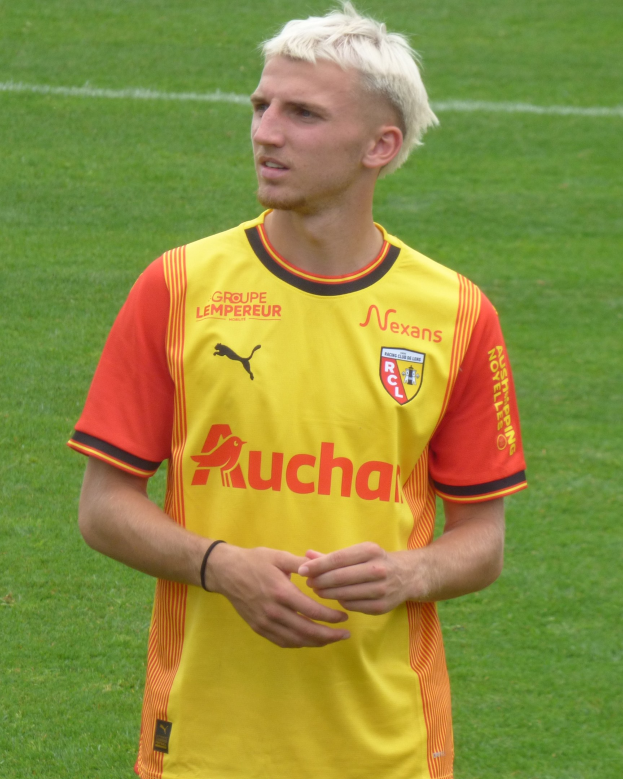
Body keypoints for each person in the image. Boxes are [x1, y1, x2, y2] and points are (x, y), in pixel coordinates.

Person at [68, 4, 527, 778]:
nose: (266, 131)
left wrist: (409, 572)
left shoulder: (456, 313)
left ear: (379, 145)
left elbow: (481, 539)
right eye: (261, 106)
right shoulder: (177, 287)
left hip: (388, 747)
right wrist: (218, 564)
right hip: (204, 744)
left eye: (302, 113)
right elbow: (102, 506)